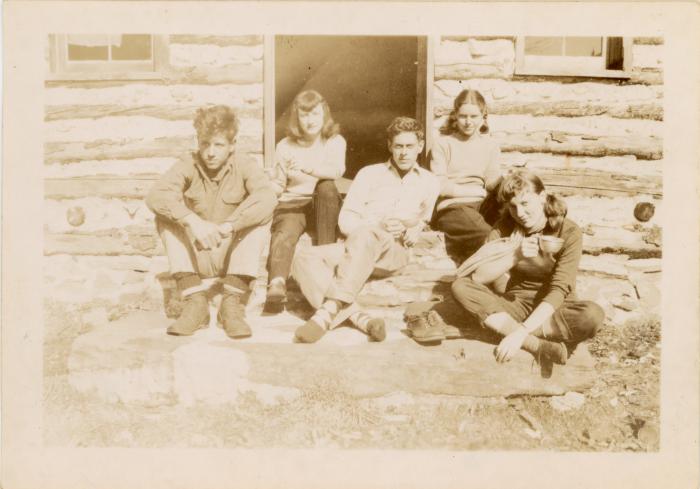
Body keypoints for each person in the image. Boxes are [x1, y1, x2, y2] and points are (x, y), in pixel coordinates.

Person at [291, 116, 440, 343]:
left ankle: (328, 310)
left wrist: (413, 228)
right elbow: (346, 221)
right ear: (389, 145)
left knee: (369, 234)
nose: (404, 153)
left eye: (410, 146)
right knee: (302, 257)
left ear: (420, 146)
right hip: (359, 245)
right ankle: (360, 318)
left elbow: (424, 221)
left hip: (393, 252)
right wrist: (376, 227)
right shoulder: (369, 174)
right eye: (398, 146)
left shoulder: (430, 182)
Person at [442, 170, 604, 377]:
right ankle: (539, 346)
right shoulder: (504, 228)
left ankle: (503, 329)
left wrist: (519, 333)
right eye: (513, 206)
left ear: (542, 197)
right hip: (516, 303)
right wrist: (515, 255)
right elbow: (478, 277)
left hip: (555, 307)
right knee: (461, 286)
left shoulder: (568, 231)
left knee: (591, 315)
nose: (520, 213)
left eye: (525, 203)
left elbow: (559, 289)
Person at [146, 105, 277, 339]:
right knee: (165, 214)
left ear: (232, 144)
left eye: (219, 145)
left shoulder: (244, 164)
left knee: (263, 213)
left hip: (230, 254)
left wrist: (229, 225)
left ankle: (231, 303)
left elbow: (267, 197)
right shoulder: (189, 163)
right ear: (198, 141)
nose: (210, 153)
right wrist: (192, 221)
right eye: (205, 143)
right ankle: (196, 302)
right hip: (198, 254)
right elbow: (156, 195)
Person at [264, 90, 346, 313]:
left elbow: (336, 170)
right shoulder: (285, 146)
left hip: (324, 204)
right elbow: (279, 185)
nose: (310, 121)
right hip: (294, 203)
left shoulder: (335, 141)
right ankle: (277, 283)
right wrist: (266, 185)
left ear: (324, 114)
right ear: (296, 117)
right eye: (304, 115)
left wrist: (307, 168)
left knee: (327, 186)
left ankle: (322, 266)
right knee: (285, 230)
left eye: (315, 114)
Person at [430, 89, 502, 263]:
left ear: (483, 116)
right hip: (454, 207)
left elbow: (491, 179)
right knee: (487, 236)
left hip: (482, 205)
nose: (468, 122)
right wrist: (477, 192)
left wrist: (504, 184)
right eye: (463, 116)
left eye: (474, 116)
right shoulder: (443, 144)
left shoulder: (490, 145)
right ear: (455, 115)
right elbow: (439, 185)